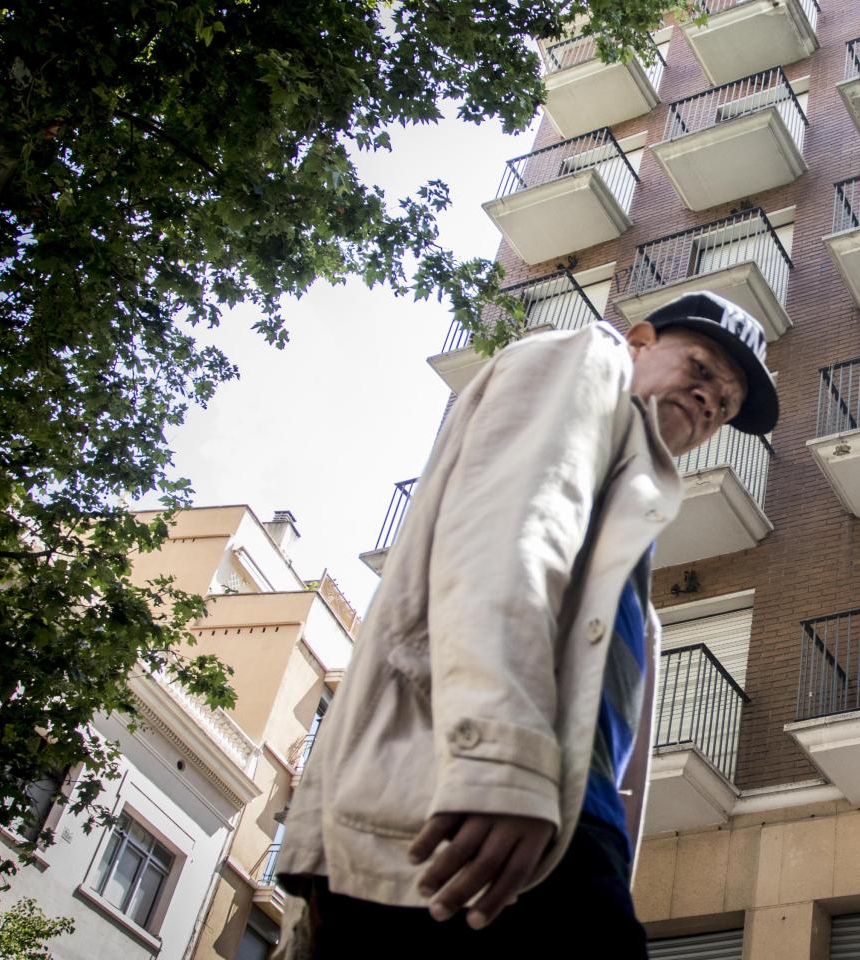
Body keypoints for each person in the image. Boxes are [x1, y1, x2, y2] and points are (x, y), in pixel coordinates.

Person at [271, 291, 780, 958]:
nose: (713, 400)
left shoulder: (626, 496)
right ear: (639, 341)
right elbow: (508, 536)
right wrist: (501, 762)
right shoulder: (586, 362)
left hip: (545, 826)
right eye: (705, 368)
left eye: (729, 404)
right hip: (470, 810)